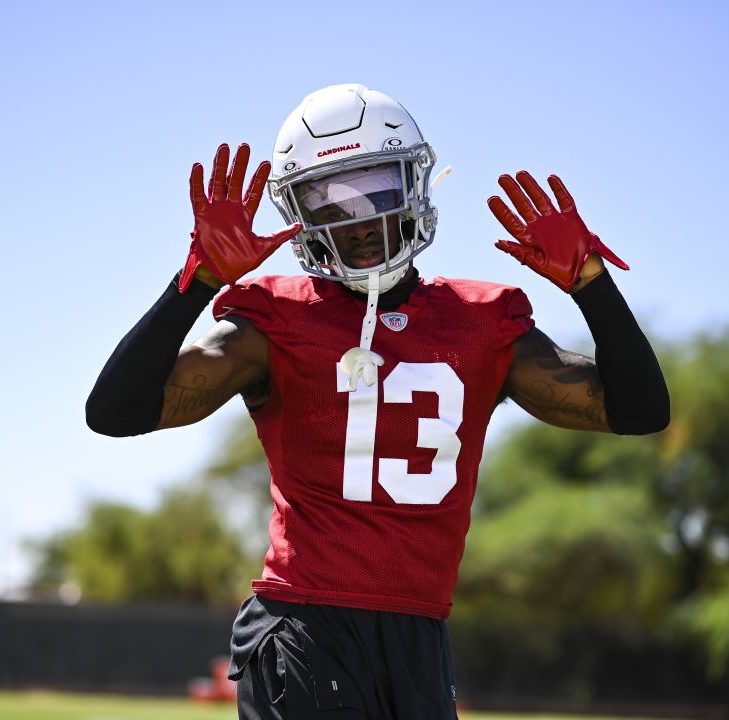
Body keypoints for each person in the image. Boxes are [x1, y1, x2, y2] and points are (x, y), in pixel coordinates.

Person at [86, 83, 669, 719]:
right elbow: (115, 412)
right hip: (305, 625)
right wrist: (194, 283)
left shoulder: (483, 324)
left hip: (420, 634)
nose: (359, 220)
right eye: (329, 200)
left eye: (376, 190)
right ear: (299, 215)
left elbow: (638, 411)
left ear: (414, 183)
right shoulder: (273, 321)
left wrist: (592, 286)